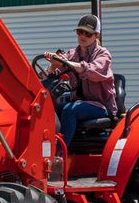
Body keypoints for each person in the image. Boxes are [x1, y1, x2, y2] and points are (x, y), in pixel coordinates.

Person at [45, 14, 116, 143]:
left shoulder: (103, 54)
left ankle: (60, 152)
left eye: (87, 34)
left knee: (70, 110)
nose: (82, 36)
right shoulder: (72, 54)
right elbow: (53, 73)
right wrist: (52, 64)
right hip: (78, 102)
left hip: (100, 106)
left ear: (96, 36)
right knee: (50, 109)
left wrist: (66, 63)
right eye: (80, 32)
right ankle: (46, 147)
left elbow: (91, 70)